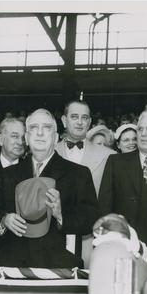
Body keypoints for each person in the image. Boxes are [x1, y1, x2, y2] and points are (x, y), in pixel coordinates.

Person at [0, 108, 99, 268]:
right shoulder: (6, 174)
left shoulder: (78, 174)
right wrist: (4, 219)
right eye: (34, 128)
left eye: (47, 128)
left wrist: (60, 215)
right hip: (11, 267)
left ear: (56, 137)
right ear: (27, 138)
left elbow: (91, 219)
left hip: (56, 267)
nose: (40, 133)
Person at [99, 110, 147, 244]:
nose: (143, 134)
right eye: (140, 129)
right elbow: (104, 207)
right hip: (122, 244)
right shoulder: (116, 162)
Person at [56, 100, 116, 264]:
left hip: (92, 239)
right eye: (74, 117)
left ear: (89, 122)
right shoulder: (49, 153)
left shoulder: (109, 156)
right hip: (55, 238)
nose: (80, 122)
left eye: (84, 118)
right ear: (64, 120)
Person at [0, 117, 26, 184]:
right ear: (1, 139)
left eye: (23, 138)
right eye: (15, 136)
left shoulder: (31, 170)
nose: (20, 142)